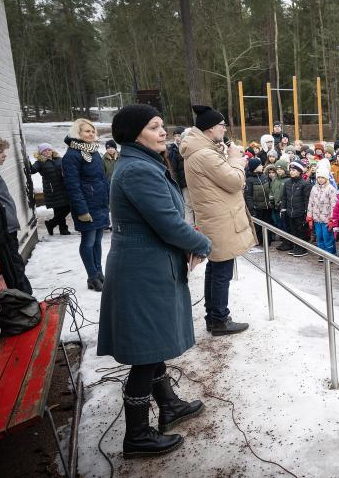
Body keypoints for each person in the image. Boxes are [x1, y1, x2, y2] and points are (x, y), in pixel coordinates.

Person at [97, 104, 212, 459]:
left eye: (162, 126)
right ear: (134, 134)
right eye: (154, 127)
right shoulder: (137, 171)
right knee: (146, 354)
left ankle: (170, 406)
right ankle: (137, 436)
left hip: (149, 266)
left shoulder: (140, 164)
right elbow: (167, 223)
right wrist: (203, 243)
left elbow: (165, 218)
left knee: (154, 343)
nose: (163, 132)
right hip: (142, 272)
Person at [181, 105, 256, 336]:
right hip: (220, 219)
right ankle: (219, 319)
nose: (225, 129)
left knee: (216, 269)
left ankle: (215, 316)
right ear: (212, 128)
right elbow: (234, 181)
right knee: (221, 271)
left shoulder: (201, 151)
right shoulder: (204, 154)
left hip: (215, 216)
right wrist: (235, 160)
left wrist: (223, 155)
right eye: (223, 125)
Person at [62, 118, 110, 291]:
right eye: (86, 131)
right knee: (88, 241)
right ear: (77, 133)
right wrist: (82, 210)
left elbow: (101, 179)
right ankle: (92, 277)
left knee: (97, 240)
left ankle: (99, 273)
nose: (91, 134)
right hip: (86, 206)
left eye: (92, 131)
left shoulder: (93, 151)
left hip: (99, 204)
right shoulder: (72, 155)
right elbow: (72, 186)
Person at [0, 136, 33, 294]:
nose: (4, 155)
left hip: (8, 230)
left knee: (17, 267)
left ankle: (25, 303)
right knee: (14, 270)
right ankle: (24, 304)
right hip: (3, 233)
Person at [31, 143, 71, 236]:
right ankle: (62, 229)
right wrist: (26, 161)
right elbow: (32, 170)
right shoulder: (40, 162)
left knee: (66, 207)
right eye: (45, 150)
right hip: (52, 190)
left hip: (63, 187)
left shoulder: (59, 159)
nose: (48, 152)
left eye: (49, 150)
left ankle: (52, 224)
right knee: (58, 209)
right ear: (41, 153)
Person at [280, 161, 313, 257]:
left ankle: (302, 249)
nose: (291, 172)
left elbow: (307, 200)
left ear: (299, 171)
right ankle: (296, 247)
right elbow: (284, 197)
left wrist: (306, 213)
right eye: (290, 170)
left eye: (294, 170)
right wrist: (283, 209)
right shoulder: (287, 183)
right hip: (290, 212)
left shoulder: (305, 184)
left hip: (300, 212)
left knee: (301, 231)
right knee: (293, 230)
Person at [306, 159, 337, 258]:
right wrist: (309, 216)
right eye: (318, 177)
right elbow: (311, 202)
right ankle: (322, 253)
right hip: (317, 218)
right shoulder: (314, 188)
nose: (320, 179)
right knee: (319, 236)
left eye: (322, 177)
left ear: (327, 178)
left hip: (326, 219)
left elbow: (334, 205)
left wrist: (332, 219)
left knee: (327, 237)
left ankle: (330, 254)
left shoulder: (331, 189)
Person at [243, 158, 273, 245]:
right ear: (255, 167)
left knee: (268, 224)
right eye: (259, 165)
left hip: (267, 207)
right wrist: (252, 208)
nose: (262, 166)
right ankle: (259, 241)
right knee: (258, 226)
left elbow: (270, 190)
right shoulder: (249, 180)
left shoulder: (265, 177)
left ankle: (268, 241)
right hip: (257, 208)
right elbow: (248, 196)